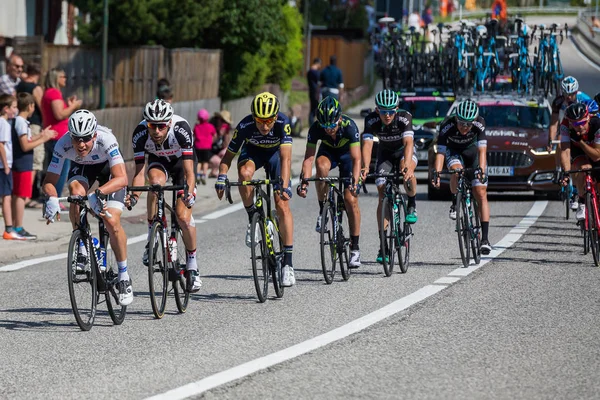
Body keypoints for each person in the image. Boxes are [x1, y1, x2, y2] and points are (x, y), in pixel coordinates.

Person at [42, 110, 133, 305]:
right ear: (70, 136)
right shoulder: (63, 144)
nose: (81, 144)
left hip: (109, 172)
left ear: (94, 135)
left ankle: (124, 276)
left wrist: (98, 194)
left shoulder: (106, 140)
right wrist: (51, 197)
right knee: (75, 193)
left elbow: (122, 178)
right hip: (84, 168)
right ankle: (83, 242)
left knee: (112, 220)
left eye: (85, 139)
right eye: (76, 139)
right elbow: (49, 181)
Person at [214, 92, 296, 287]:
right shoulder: (245, 126)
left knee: (282, 204)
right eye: (260, 121)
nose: (265, 126)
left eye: (268, 121)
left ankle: (288, 265)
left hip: (276, 155)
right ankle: (253, 218)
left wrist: (284, 186)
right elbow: (227, 158)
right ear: (253, 117)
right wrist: (221, 178)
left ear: (275, 117)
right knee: (244, 174)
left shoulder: (283, 124)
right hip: (253, 153)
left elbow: (286, 159)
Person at [128, 99, 202, 293]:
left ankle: (193, 266)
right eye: (153, 126)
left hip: (182, 165)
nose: (157, 131)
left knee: (184, 218)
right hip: (158, 163)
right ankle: (152, 234)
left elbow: (189, 173)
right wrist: (134, 196)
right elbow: (138, 172)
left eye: (161, 126)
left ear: (169, 123)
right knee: (154, 184)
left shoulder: (181, 129)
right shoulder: (140, 133)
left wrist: (190, 192)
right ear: (147, 123)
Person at [297, 97, 362, 267]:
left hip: (347, 156)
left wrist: (355, 183)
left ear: (339, 118)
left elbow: (357, 159)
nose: (329, 130)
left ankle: (355, 249)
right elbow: (308, 159)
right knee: (320, 167)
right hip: (328, 153)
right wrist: (304, 182)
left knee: (350, 199)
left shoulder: (350, 127)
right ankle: (322, 210)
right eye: (325, 127)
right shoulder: (316, 128)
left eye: (332, 126)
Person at [361, 89, 418, 264]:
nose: (387, 115)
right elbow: (368, 145)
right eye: (383, 111)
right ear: (377, 110)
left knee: (405, 169)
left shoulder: (404, 117)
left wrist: (407, 165)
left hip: (403, 152)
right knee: (382, 192)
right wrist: (364, 167)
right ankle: (383, 244)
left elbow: (408, 143)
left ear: (397, 108)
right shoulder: (371, 120)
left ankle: (411, 203)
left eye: (391, 111)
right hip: (385, 154)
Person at [432, 99, 492, 255]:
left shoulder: (480, 123)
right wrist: (437, 172)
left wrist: (482, 171)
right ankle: (454, 202)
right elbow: (440, 153)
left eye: (468, 124)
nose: (464, 127)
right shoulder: (447, 125)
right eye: (461, 123)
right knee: (456, 171)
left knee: (480, 192)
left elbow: (482, 152)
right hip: (455, 152)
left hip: (473, 153)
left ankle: (485, 239)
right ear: (456, 119)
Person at [10, 93, 57, 239]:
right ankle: (17, 227)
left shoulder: (21, 121)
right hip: (22, 164)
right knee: (21, 196)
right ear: (30, 106)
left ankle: (14, 226)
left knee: (19, 195)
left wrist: (42, 134)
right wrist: (43, 139)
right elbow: (25, 146)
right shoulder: (21, 121)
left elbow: (27, 139)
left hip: (22, 163)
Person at [548, 76, 591, 210]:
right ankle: (559, 169)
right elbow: (554, 123)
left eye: (571, 94)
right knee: (560, 142)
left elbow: (593, 119)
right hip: (567, 127)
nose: (569, 97)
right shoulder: (558, 102)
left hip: (581, 128)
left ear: (576, 92)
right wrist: (550, 139)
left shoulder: (584, 99)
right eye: (566, 94)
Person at [41, 68, 82, 199]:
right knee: (59, 172)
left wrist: (68, 105)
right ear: (56, 78)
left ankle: (53, 198)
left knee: (55, 170)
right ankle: (55, 199)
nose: (65, 79)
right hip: (58, 137)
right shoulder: (54, 93)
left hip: (54, 136)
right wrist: (73, 106)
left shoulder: (49, 93)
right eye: (63, 76)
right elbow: (59, 115)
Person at [559, 103, 600, 221]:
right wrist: (566, 173)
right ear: (571, 123)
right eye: (576, 124)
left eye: (582, 123)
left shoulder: (597, 124)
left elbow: (597, 156)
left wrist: (581, 142)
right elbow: (565, 151)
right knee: (584, 168)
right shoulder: (565, 126)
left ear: (588, 117)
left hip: (595, 149)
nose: (580, 127)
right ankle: (582, 201)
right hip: (577, 150)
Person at [16, 64, 45, 206]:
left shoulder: (19, 86)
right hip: (34, 124)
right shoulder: (35, 88)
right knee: (36, 160)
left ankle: (24, 193)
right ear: (37, 74)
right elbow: (42, 106)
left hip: (26, 122)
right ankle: (26, 195)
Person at [0, 94, 20, 239]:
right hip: (3, 166)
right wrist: (6, 165)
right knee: (6, 197)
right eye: (13, 107)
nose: (15, 110)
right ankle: (8, 229)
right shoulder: (4, 124)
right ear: (6, 109)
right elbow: (1, 144)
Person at [193, 108, 216, 185]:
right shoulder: (210, 126)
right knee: (205, 162)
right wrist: (211, 141)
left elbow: (193, 136)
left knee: (199, 162)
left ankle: (198, 174)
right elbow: (214, 135)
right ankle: (204, 175)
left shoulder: (196, 126)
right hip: (207, 147)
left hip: (198, 146)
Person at [208, 110, 233, 177]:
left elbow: (226, 145)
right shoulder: (210, 127)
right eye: (223, 121)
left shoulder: (224, 129)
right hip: (208, 151)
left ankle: (213, 170)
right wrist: (217, 135)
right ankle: (211, 167)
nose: (224, 124)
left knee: (226, 151)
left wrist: (226, 134)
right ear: (218, 119)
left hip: (216, 151)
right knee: (219, 161)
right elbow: (208, 144)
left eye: (226, 123)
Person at [307, 57, 322, 123]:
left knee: (312, 109)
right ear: (318, 63)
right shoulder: (316, 72)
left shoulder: (309, 71)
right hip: (316, 92)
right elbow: (320, 82)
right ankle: (313, 124)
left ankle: (311, 123)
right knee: (316, 109)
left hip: (311, 91)